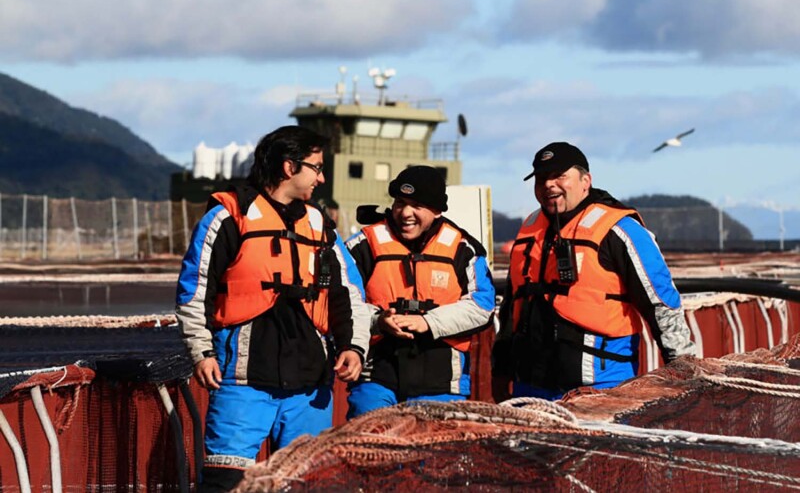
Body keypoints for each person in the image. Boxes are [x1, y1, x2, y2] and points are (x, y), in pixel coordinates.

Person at [175, 125, 370, 491]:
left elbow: (349, 295)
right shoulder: (228, 218)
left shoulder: (320, 226)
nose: (322, 177)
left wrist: (353, 347)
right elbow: (194, 291)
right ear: (288, 167)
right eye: (316, 167)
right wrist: (201, 352)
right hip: (242, 382)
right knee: (225, 483)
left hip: (310, 388)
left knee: (307, 484)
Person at [492, 142, 696, 402]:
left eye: (559, 176)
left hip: (601, 388)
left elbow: (662, 304)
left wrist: (685, 373)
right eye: (541, 178)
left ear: (585, 180)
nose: (548, 184)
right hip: (530, 390)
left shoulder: (619, 230)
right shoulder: (529, 231)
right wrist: (500, 372)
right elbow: (512, 308)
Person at [345, 165, 496, 418]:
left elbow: (483, 305)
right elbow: (343, 300)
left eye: (417, 205)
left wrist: (428, 322)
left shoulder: (464, 249)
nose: (405, 213)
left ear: (437, 210)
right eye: (400, 202)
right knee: (369, 451)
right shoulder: (362, 245)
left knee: (432, 456)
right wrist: (378, 321)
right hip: (376, 375)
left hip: (440, 380)